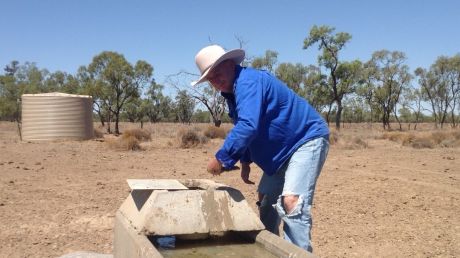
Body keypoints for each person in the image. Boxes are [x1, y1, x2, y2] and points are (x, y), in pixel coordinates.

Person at [192, 44, 329, 252]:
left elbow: (248, 125)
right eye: (210, 78)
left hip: (305, 140)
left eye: (217, 72)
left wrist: (221, 158)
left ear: (230, 64)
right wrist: (245, 162)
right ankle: (271, 250)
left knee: (291, 203)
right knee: (266, 200)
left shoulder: (248, 82)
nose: (215, 80)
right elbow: (246, 127)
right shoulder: (233, 93)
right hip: (281, 154)